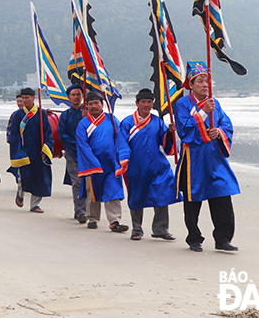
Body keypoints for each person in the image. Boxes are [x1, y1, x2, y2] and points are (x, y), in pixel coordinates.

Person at [175, 62, 240, 252]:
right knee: (192, 200)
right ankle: (194, 238)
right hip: (193, 158)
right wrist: (204, 113)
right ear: (191, 84)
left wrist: (218, 132)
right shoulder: (183, 104)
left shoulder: (215, 102)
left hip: (214, 158)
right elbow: (184, 129)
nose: (205, 85)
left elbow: (226, 125)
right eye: (201, 81)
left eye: (207, 81)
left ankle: (223, 239)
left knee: (222, 196)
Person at [117, 88, 181, 241]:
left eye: (149, 102)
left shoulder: (157, 121)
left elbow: (164, 143)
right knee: (136, 196)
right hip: (136, 166)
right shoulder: (127, 122)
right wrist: (124, 159)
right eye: (143, 102)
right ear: (137, 103)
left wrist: (170, 133)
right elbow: (121, 143)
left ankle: (160, 229)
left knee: (162, 195)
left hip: (157, 166)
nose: (146, 105)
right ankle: (137, 229)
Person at [76, 91, 129, 232]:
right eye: (90, 104)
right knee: (92, 191)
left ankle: (114, 221)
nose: (94, 106)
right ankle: (92, 218)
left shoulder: (112, 119)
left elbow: (120, 138)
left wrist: (122, 157)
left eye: (96, 103)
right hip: (93, 163)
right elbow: (82, 145)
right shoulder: (83, 124)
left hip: (111, 162)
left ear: (102, 104)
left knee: (113, 191)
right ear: (86, 106)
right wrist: (93, 162)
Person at [7, 87, 54, 213]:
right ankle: (20, 192)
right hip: (24, 150)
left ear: (33, 98)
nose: (25, 100)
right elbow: (14, 135)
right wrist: (17, 150)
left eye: (27, 98)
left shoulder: (41, 113)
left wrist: (47, 147)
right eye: (23, 98)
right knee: (24, 176)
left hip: (38, 150)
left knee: (40, 176)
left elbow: (47, 132)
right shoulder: (18, 115)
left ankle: (35, 204)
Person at [57, 84, 88, 223]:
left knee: (89, 183)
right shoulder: (65, 115)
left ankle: (88, 212)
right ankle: (81, 212)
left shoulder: (89, 113)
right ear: (68, 97)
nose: (76, 97)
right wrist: (78, 145)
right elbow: (62, 135)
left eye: (79, 94)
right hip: (72, 153)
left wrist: (87, 119)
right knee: (77, 182)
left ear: (83, 96)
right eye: (73, 95)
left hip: (89, 154)